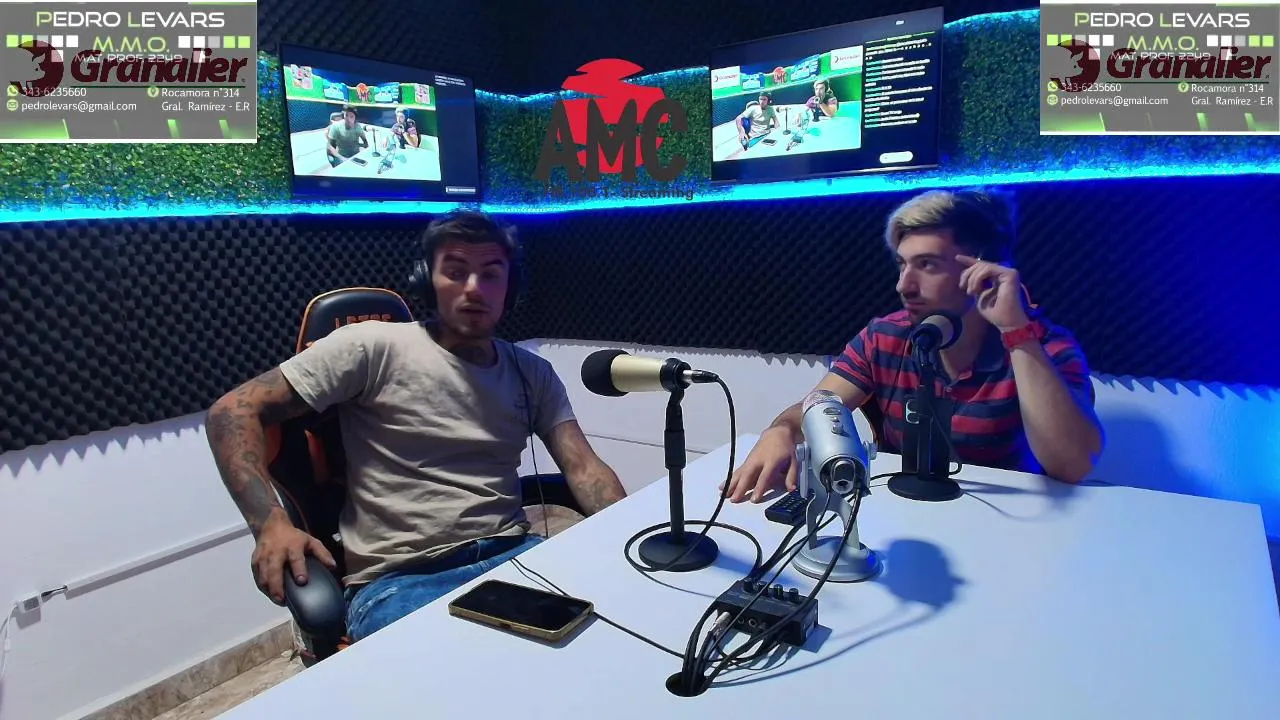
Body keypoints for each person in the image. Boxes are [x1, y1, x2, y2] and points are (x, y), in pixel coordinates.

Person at [205, 210, 627, 642]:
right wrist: (270, 524)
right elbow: (231, 412)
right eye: (455, 272)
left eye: (490, 274)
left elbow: (583, 468)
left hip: (515, 554)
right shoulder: (370, 347)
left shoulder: (532, 372)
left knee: (613, 628)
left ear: (510, 287)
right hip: (402, 581)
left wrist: (629, 531)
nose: (473, 288)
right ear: (427, 281)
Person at [725, 188, 1103, 502]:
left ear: (983, 270)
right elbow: (820, 405)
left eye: (928, 265)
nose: (903, 285)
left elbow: (1072, 466)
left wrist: (1017, 333)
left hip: (1005, 526)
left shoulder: (1042, 346)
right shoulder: (884, 337)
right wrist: (784, 429)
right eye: (903, 265)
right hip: (903, 514)